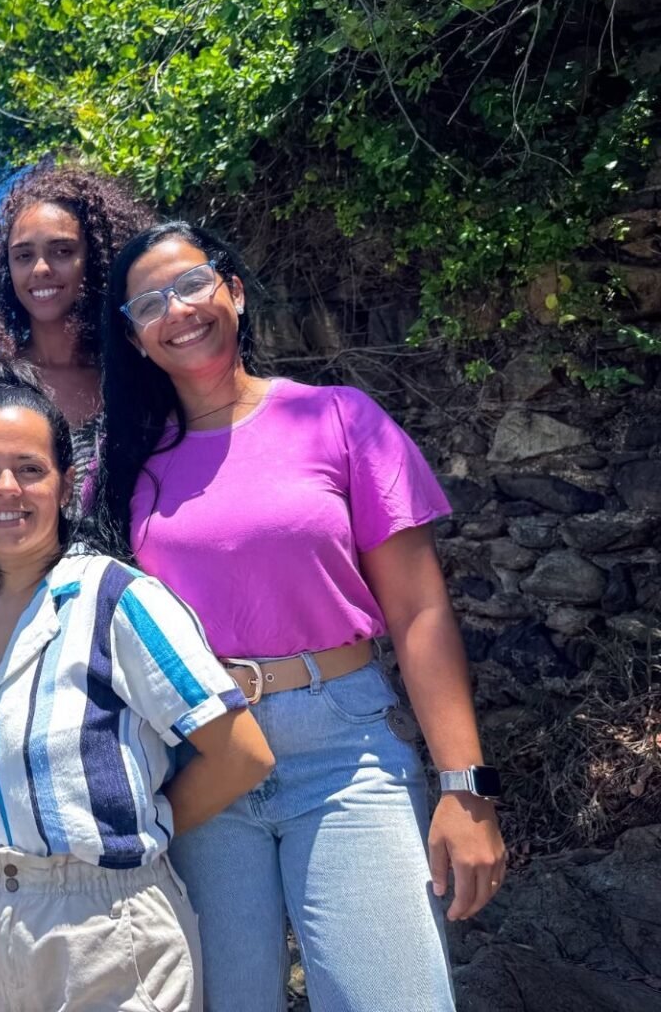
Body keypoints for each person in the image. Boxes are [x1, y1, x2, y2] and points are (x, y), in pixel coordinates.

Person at [90, 221, 508, 1011]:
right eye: (149, 304)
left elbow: (419, 610)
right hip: (202, 758)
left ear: (234, 293)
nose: (177, 311)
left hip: (344, 749)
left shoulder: (340, 419)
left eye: (191, 284)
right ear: (136, 339)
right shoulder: (126, 474)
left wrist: (465, 786)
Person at [0, 363, 275, 1012]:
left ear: (65, 484)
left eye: (30, 468)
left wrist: (141, 830)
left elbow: (242, 755)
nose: (7, 487)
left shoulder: (119, 601)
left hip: (107, 929)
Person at [0, 165, 152, 604]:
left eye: (61, 250)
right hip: (12, 626)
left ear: (91, 259)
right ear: (6, 270)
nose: (40, 269)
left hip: (127, 620)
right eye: (23, 255)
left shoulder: (134, 377)